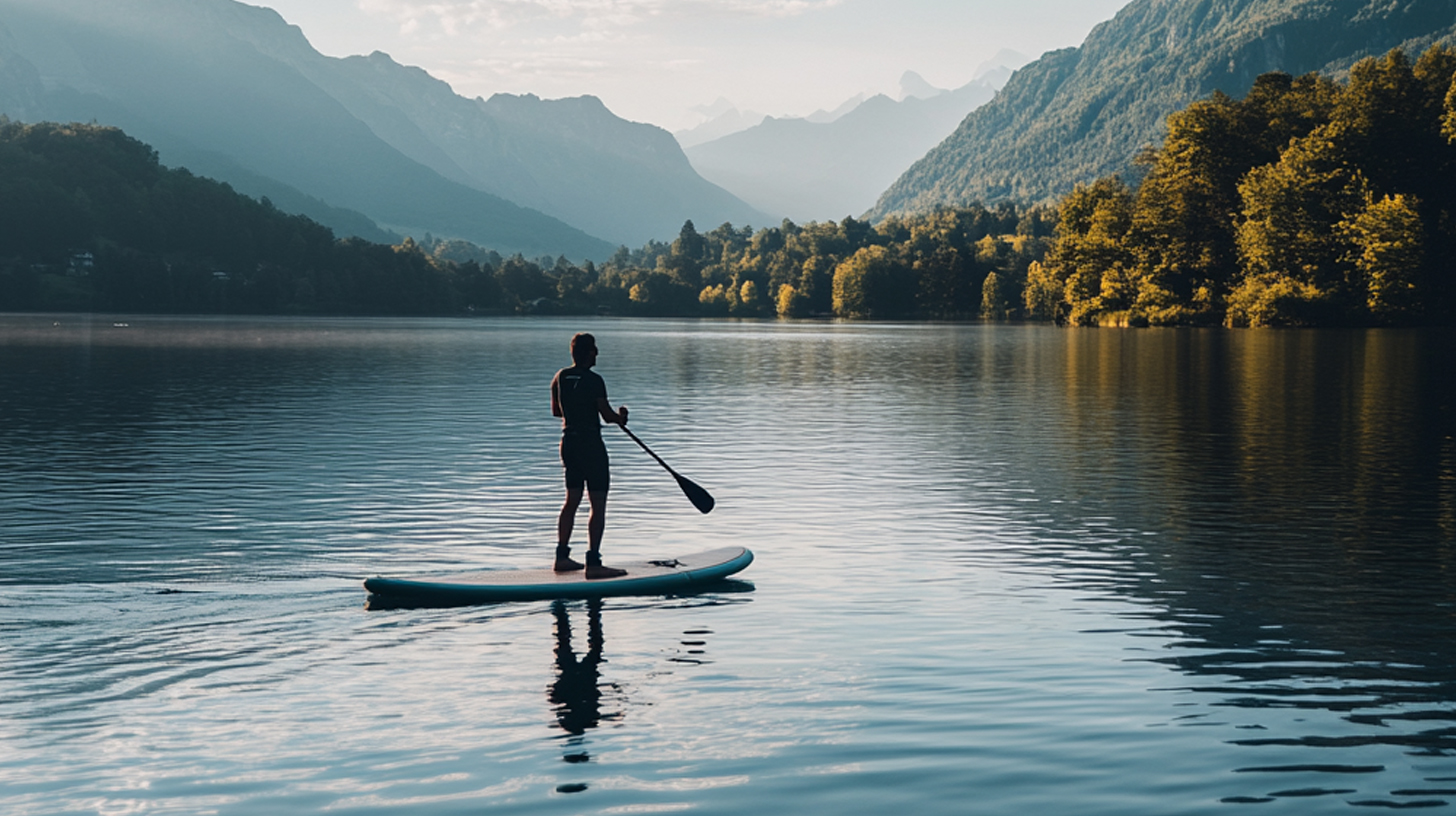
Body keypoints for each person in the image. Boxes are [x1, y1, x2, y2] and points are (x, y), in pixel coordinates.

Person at [550, 332, 629, 579]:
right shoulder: (595, 380)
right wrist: (621, 416)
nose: (598, 353)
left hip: (568, 443)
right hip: (591, 445)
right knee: (598, 502)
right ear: (587, 353)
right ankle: (593, 563)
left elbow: (556, 412)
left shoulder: (560, 377)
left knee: (571, 500)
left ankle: (561, 558)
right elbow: (607, 416)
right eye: (595, 349)